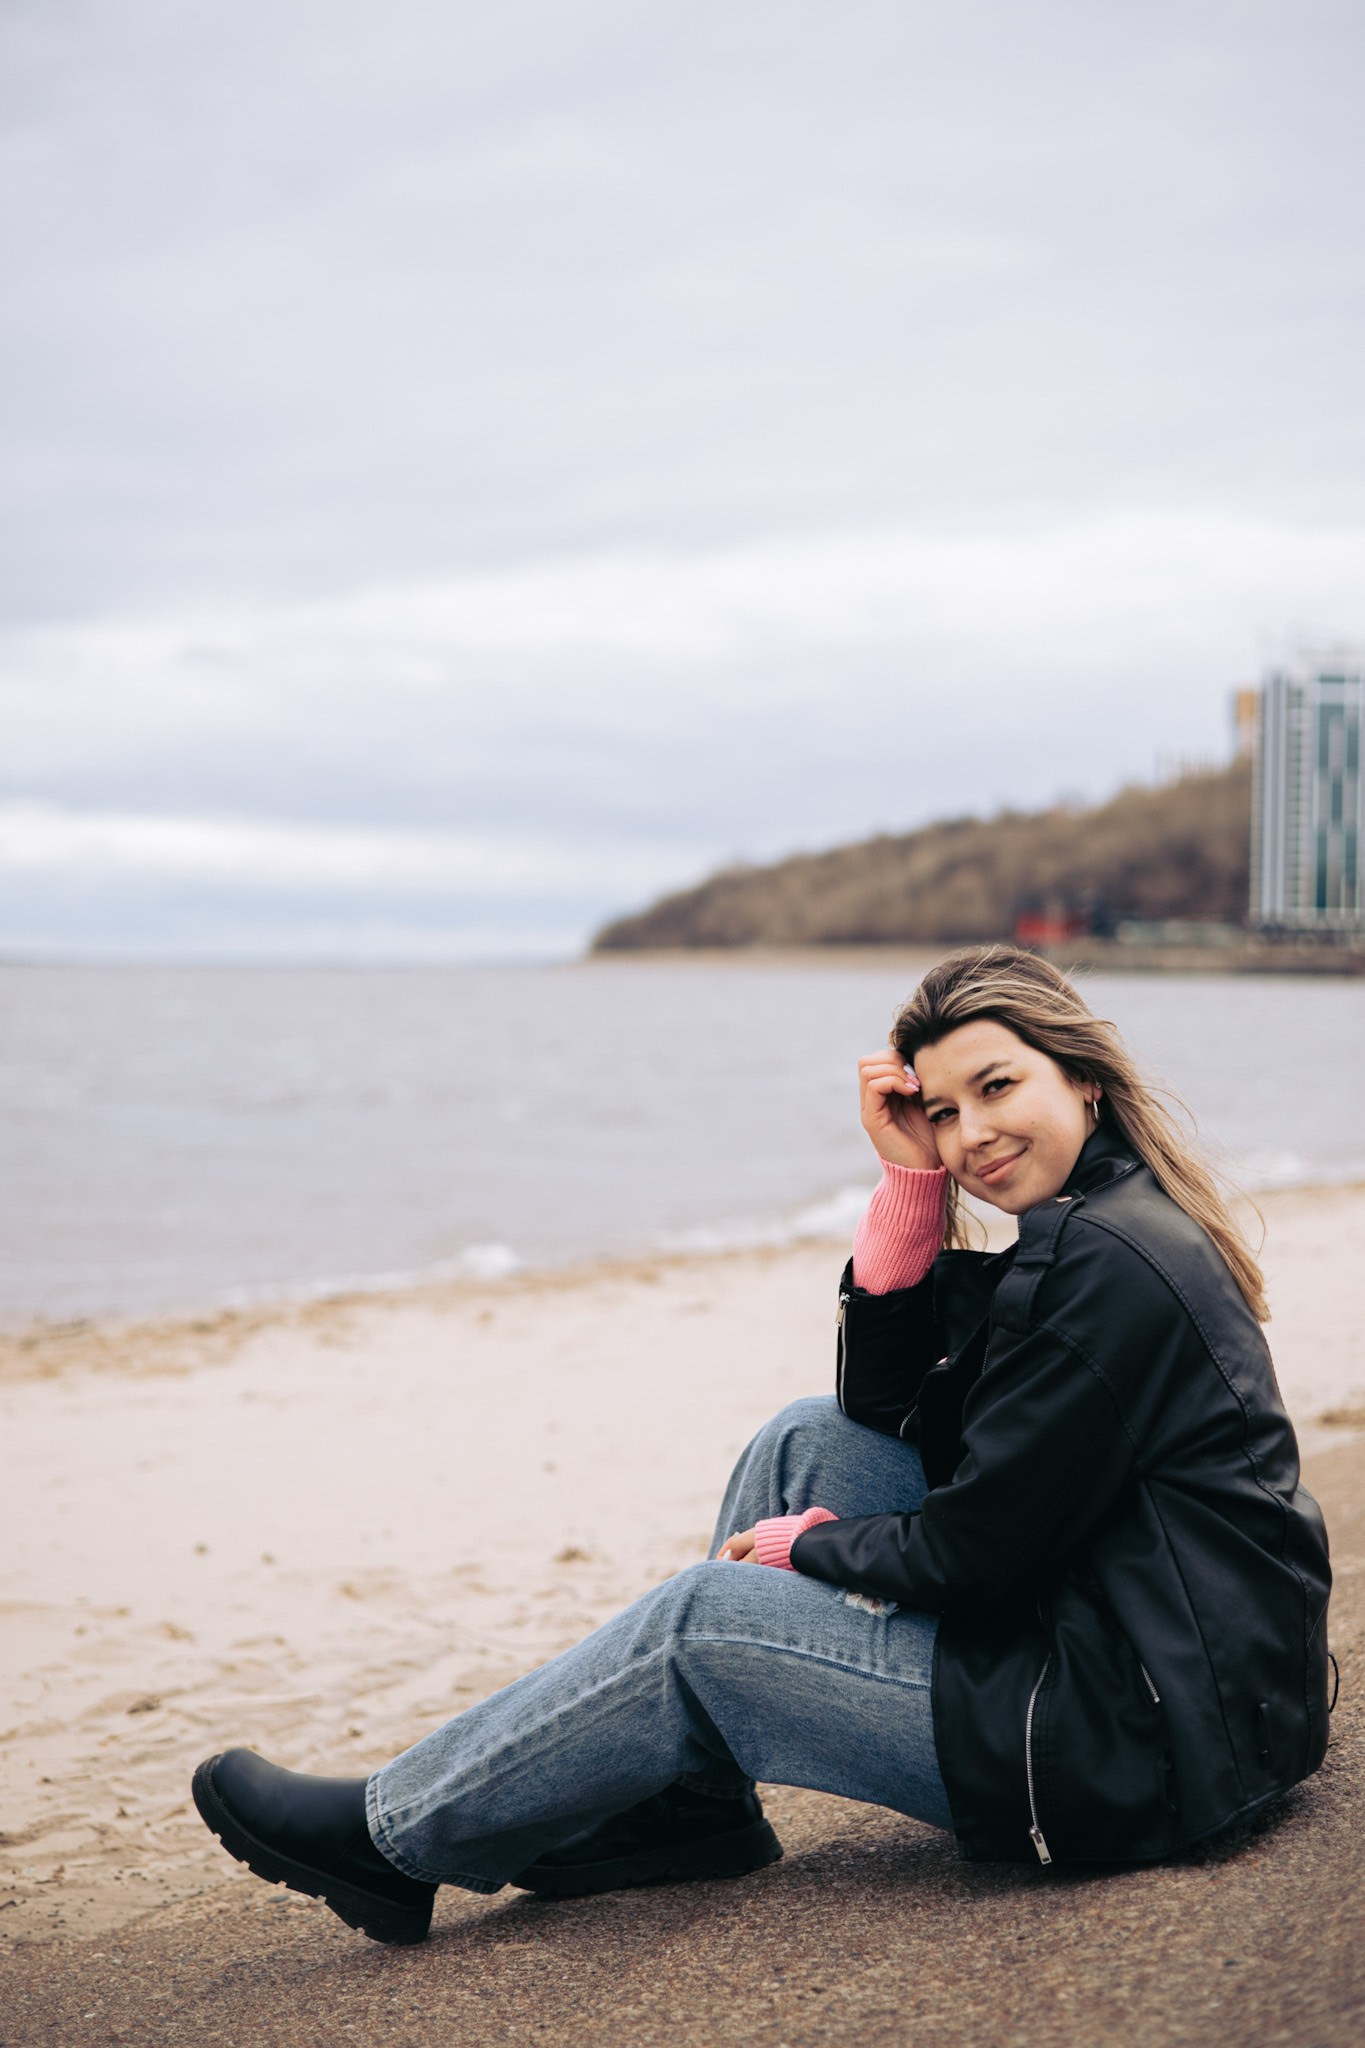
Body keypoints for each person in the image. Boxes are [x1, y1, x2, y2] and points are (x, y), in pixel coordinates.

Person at [191, 944, 1333, 1945]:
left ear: (1080, 1074)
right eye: (942, 1110)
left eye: (996, 1087)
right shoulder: (1097, 1222)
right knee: (806, 1440)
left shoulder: (1103, 1264)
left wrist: (812, 1547)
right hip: (1171, 1665)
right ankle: (691, 1803)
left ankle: (392, 1838)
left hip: (1138, 1740)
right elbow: (886, 1410)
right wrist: (908, 1184)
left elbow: (980, 1554)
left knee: (704, 1618)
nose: (972, 1134)